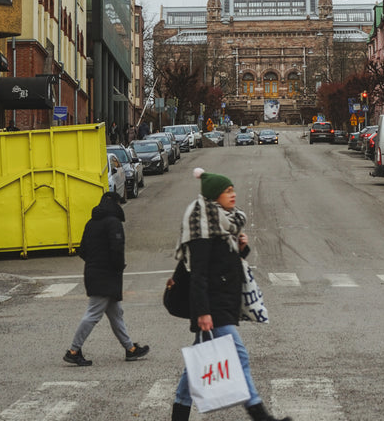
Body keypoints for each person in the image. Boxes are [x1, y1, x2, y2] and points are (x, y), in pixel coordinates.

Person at [169, 168, 291, 421]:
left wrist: (241, 249)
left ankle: (179, 414)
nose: (233, 195)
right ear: (215, 196)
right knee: (238, 355)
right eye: (227, 191)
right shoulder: (202, 226)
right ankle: (261, 416)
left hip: (222, 301)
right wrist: (202, 312)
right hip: (211, 306)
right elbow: (199, 274)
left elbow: (225, 266)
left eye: (233, 189)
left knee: (195, 367)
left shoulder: (223, 223)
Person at [64, 191, 149, 366]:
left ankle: (130, 349)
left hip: (94, 272)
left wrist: (95, 263)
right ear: (116, 204)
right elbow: (117, 249)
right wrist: (117, 267)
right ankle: (73, 350)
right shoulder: (113, 223)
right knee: (93, 314)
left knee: (116, 313)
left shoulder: (91, 223)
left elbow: (83, 250)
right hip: (107, 276)